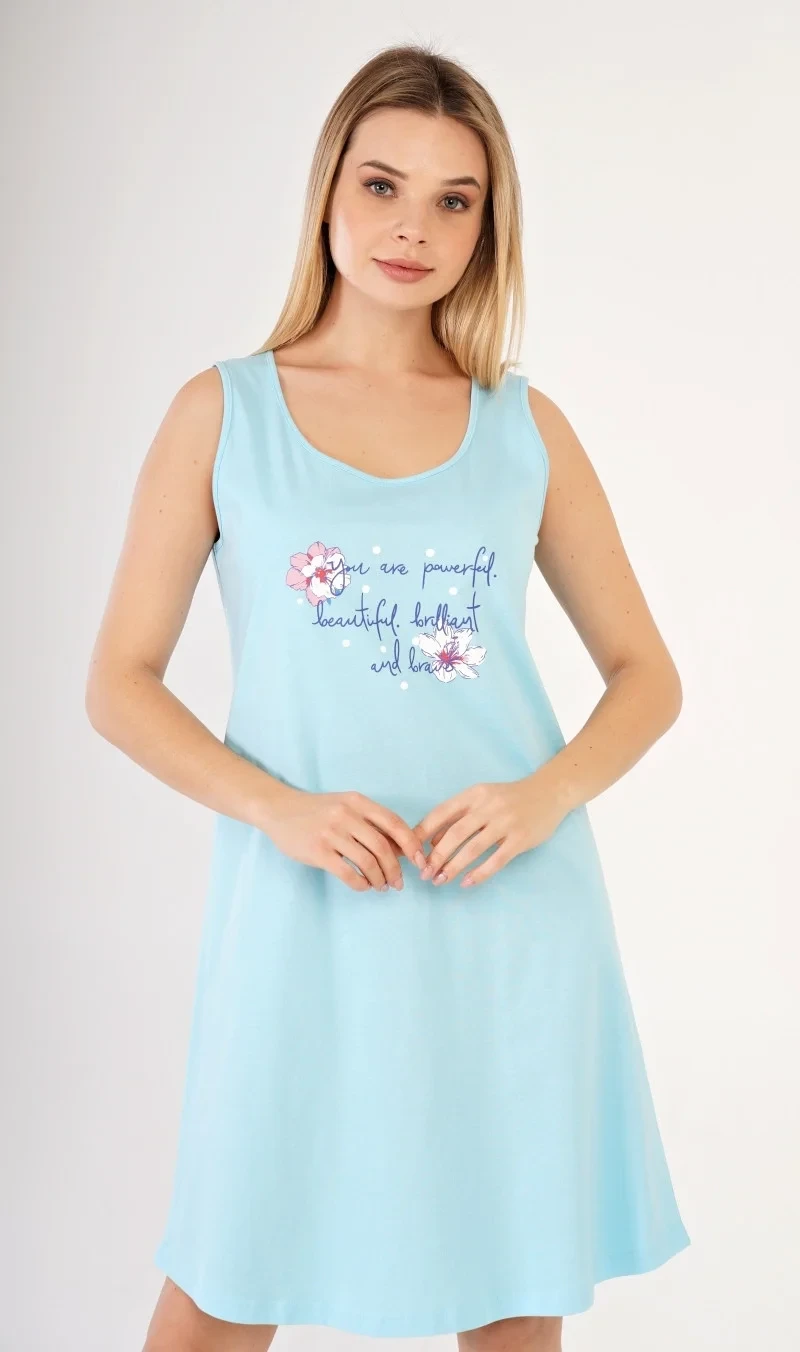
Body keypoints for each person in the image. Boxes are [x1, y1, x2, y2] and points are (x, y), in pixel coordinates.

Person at [85, 41, 691, 1352]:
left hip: (508, 914)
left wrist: (543, 799)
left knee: (510, 1291)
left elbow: (649, 677)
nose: (413, 227)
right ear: (328, 194)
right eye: (382, 185)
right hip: (302, 911)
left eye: (453, 200)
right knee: (227, 1280)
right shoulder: (224, 413)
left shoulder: (522, 426)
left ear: (487, 226)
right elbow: (119, 684)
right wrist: (282, 811)